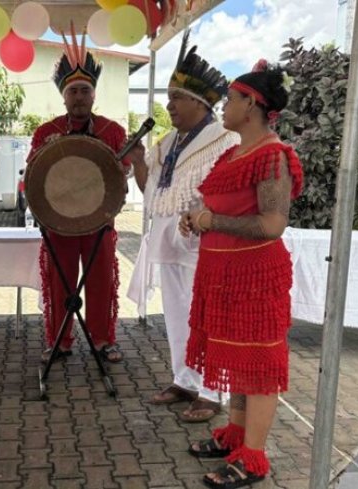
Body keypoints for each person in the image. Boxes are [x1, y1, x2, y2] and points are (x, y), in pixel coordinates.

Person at [181, 60, 303, 488]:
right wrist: (197, 220)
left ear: (251, 104)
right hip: (222, 274)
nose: (224, 106)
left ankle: (253, 456)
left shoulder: (273, 156)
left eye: (231, 98)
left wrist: (212, 221)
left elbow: (272, 224)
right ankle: (235, 434)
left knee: (258, 365)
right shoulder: (235, 153)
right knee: (236, 358)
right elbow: (219, 209)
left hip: (254, 276)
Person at [127, 43, 239, 423]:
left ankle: (211, 392)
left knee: (207, 317)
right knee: (176, 315)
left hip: (204, 244)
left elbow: (229, 195)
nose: (170, 106)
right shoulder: (166, 144)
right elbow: (152, 193)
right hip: (168, 240)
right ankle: (184, 379)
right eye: (168, 98)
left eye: (177, 98)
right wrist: (140, 163)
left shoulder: (225, 140)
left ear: (200, 103)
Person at [27, 32, 133, 363]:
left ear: (94, 95)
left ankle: (103, 340)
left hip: (100, 221)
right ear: (63, 96)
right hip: (58, 221)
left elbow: (125, 174)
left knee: (101, 282)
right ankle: (60, 341)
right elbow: (32, 175)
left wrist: (122, 169)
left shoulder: (112, 131)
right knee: (60, 283)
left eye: (85, 90)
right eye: (73, 91)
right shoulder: (46, 132)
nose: (79, 97)